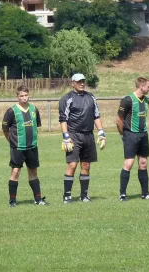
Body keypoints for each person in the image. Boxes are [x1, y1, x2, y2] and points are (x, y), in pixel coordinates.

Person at [58, 73, 106, 204]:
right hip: (74, 135)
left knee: (86, 165)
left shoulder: (91, 97)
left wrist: (101, 132)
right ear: (72, 83)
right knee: (72, 164)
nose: (82, 83)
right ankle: (67, 195)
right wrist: (66, 136)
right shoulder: (67, 99)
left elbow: (96, 115)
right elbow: (63, 119)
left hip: (88, 135)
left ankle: (84, 195)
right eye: (79, 81)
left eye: (83, 81)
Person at [2, 86, 46, 207]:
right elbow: (5, 129)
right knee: (15, 172)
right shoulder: (12, 111)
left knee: (33, 171)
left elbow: (37, 126)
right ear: (17, 96)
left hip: (32, 147)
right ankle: (12, 201)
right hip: (18, 147)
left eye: (26, 95)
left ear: (29, 95)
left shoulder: (33, 109)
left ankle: (38, 199)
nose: (24, 98)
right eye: (21, 96)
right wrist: (11, 141)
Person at [116, 77, 149, 201]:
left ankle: (145, 193)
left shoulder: (147, 100)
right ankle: (122, 194)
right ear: (141, 86)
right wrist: (123, 135)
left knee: (143, 163)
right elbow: (119, 120)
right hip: (131, 135)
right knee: (129, 163)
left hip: (143, 135)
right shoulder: (127, 100)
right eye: (148, 86)